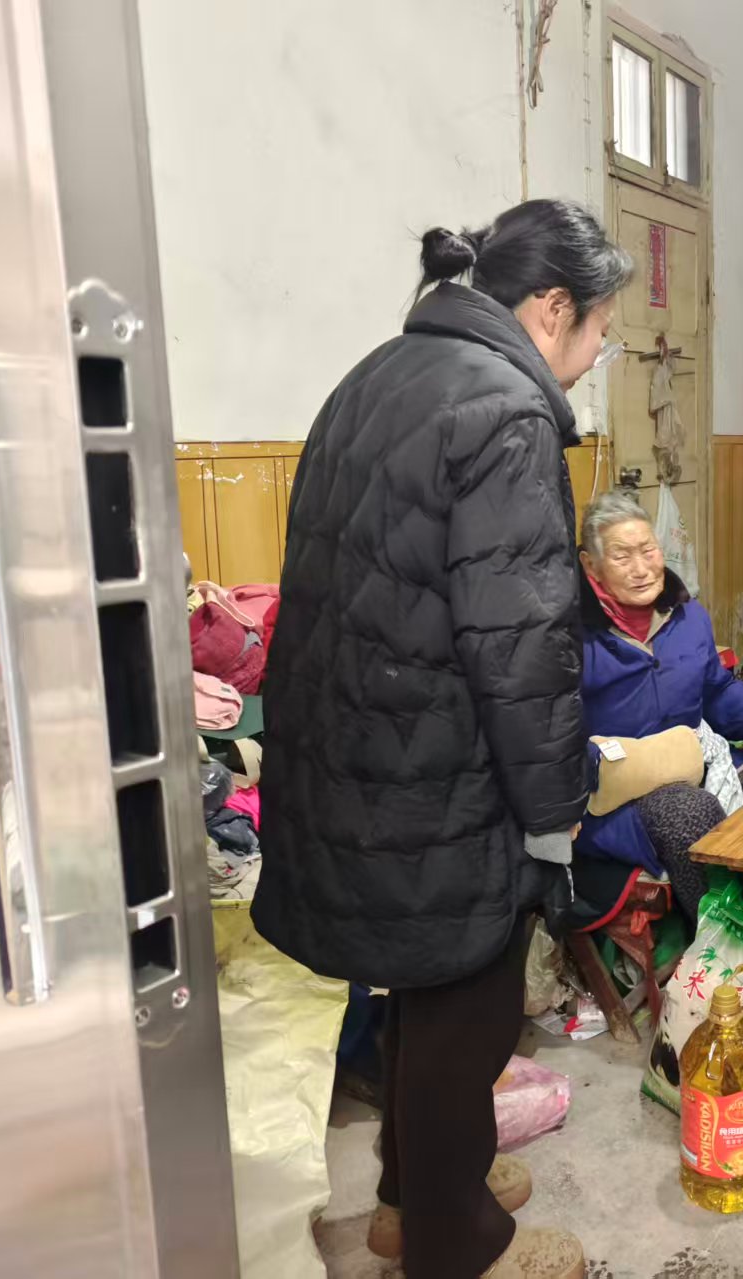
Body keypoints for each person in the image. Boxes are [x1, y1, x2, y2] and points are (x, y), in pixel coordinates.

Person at [254, 199, 633, 1279]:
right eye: (600, 331)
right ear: (551, 308)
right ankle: (453, 1243)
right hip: (437, 764)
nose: (595, 356)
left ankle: (405, 1197)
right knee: (468, 1009)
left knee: (420, 989)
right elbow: (520, 649)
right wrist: (556, 809)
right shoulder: (507, 411)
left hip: (353, 748)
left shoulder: (379, 371)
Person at [574, 489, 743, 919]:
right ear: (590, 565)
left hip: (696, 762)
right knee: (690, 812)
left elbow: (714, 689)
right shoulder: (570, 635)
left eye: (648, 550)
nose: (642, 569)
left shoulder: (688, 616)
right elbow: (549, 731)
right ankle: (728, 937)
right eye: (622, 557)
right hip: (616, 797)